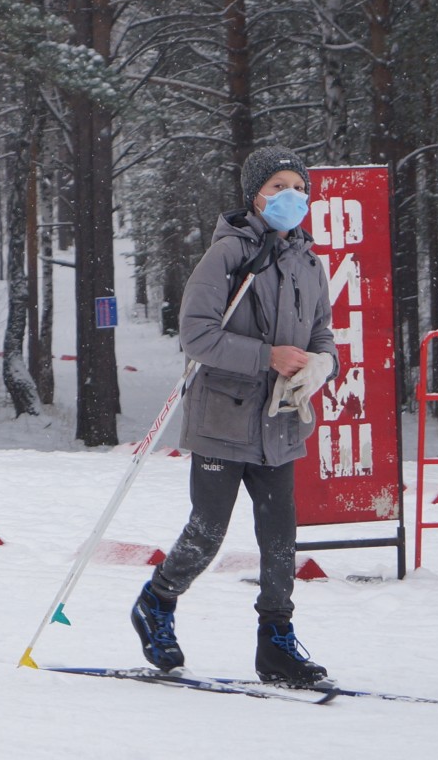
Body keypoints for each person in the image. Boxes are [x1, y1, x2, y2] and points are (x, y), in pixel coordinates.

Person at [132, 147, 340, 686]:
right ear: (255, 195)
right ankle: (157, 601)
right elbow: (198, 336)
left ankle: (276, 641)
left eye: (299, 185)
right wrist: (267, 357)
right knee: (207, 532)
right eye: (277, 186)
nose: (290, 195)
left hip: (281, 421)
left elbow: (322, 331)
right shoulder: (226, 256)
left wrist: (322, 364)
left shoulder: (309, 263)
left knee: (280, 537)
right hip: (222, 418)